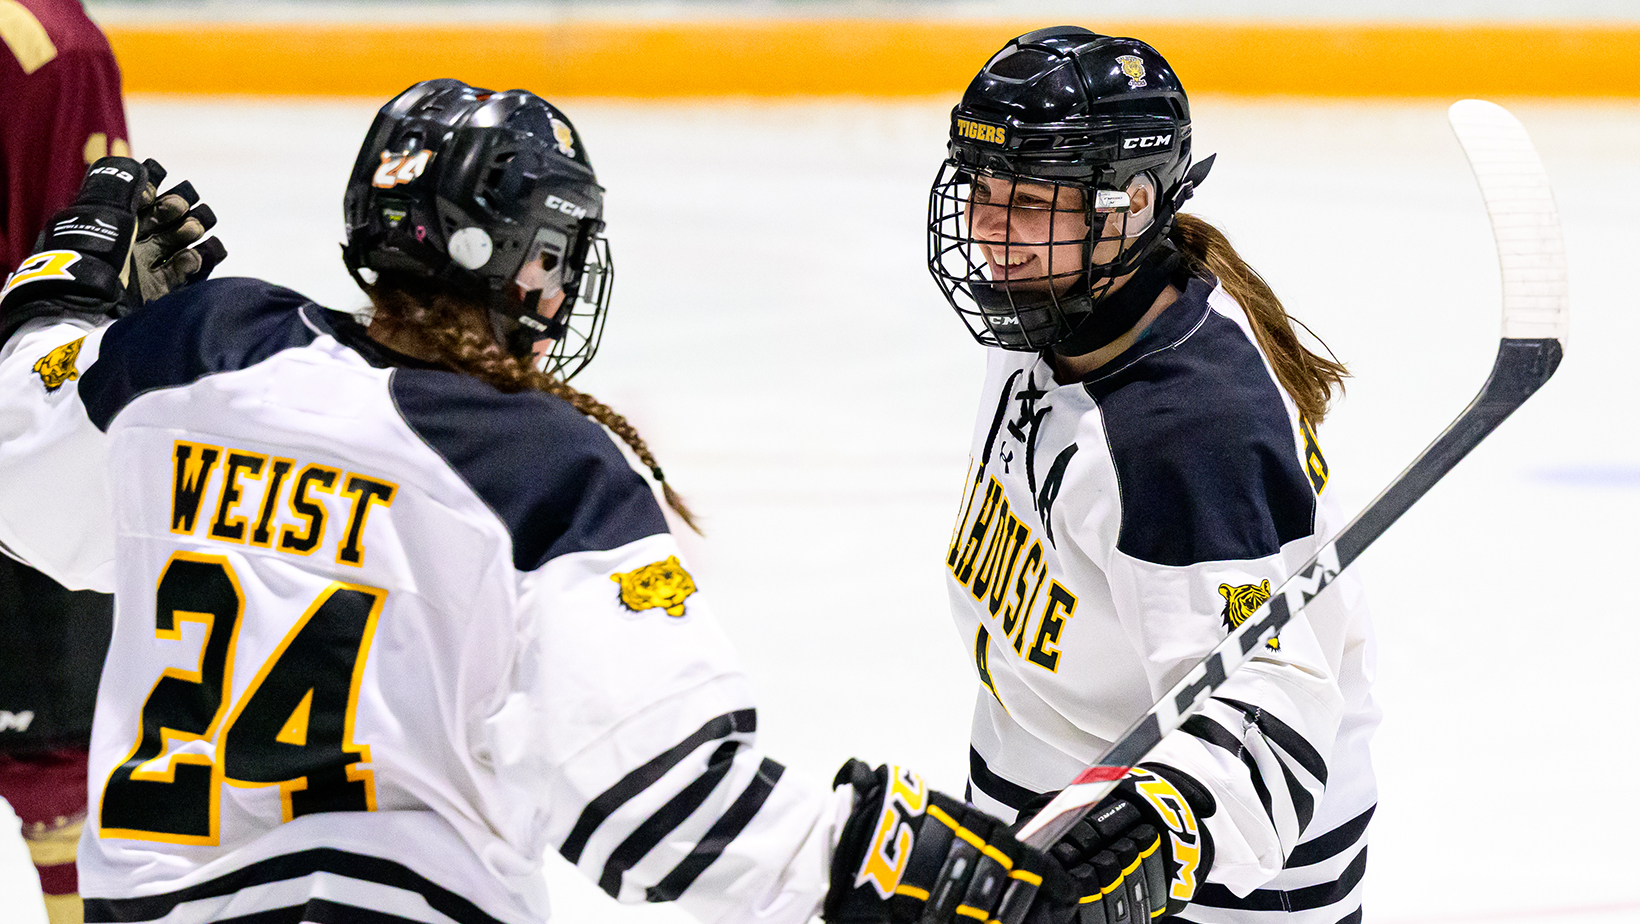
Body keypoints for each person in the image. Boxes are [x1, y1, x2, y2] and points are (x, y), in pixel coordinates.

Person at [0, 79, 1078, 924]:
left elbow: (23, 467)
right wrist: (906, 865)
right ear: (525, 261)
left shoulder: (198, 354)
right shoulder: (538, 469)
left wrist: (63, 288)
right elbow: (667, 814)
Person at [925, 28, 1379, 923]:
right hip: (1050, 808)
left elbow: (1272, 701)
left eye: (1028, 200)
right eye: (982, 189)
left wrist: (1158, 833)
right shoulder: (1061, 312)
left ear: (1130, 206)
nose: (987, 229)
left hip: (1213, 881)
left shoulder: (1184, 435)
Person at [3, 3, 132, 920]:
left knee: (61, 767)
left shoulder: (46, 48)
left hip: (17, 460)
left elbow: (77, 288)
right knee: (61, 767)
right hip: (18, 468)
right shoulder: (48, 46)